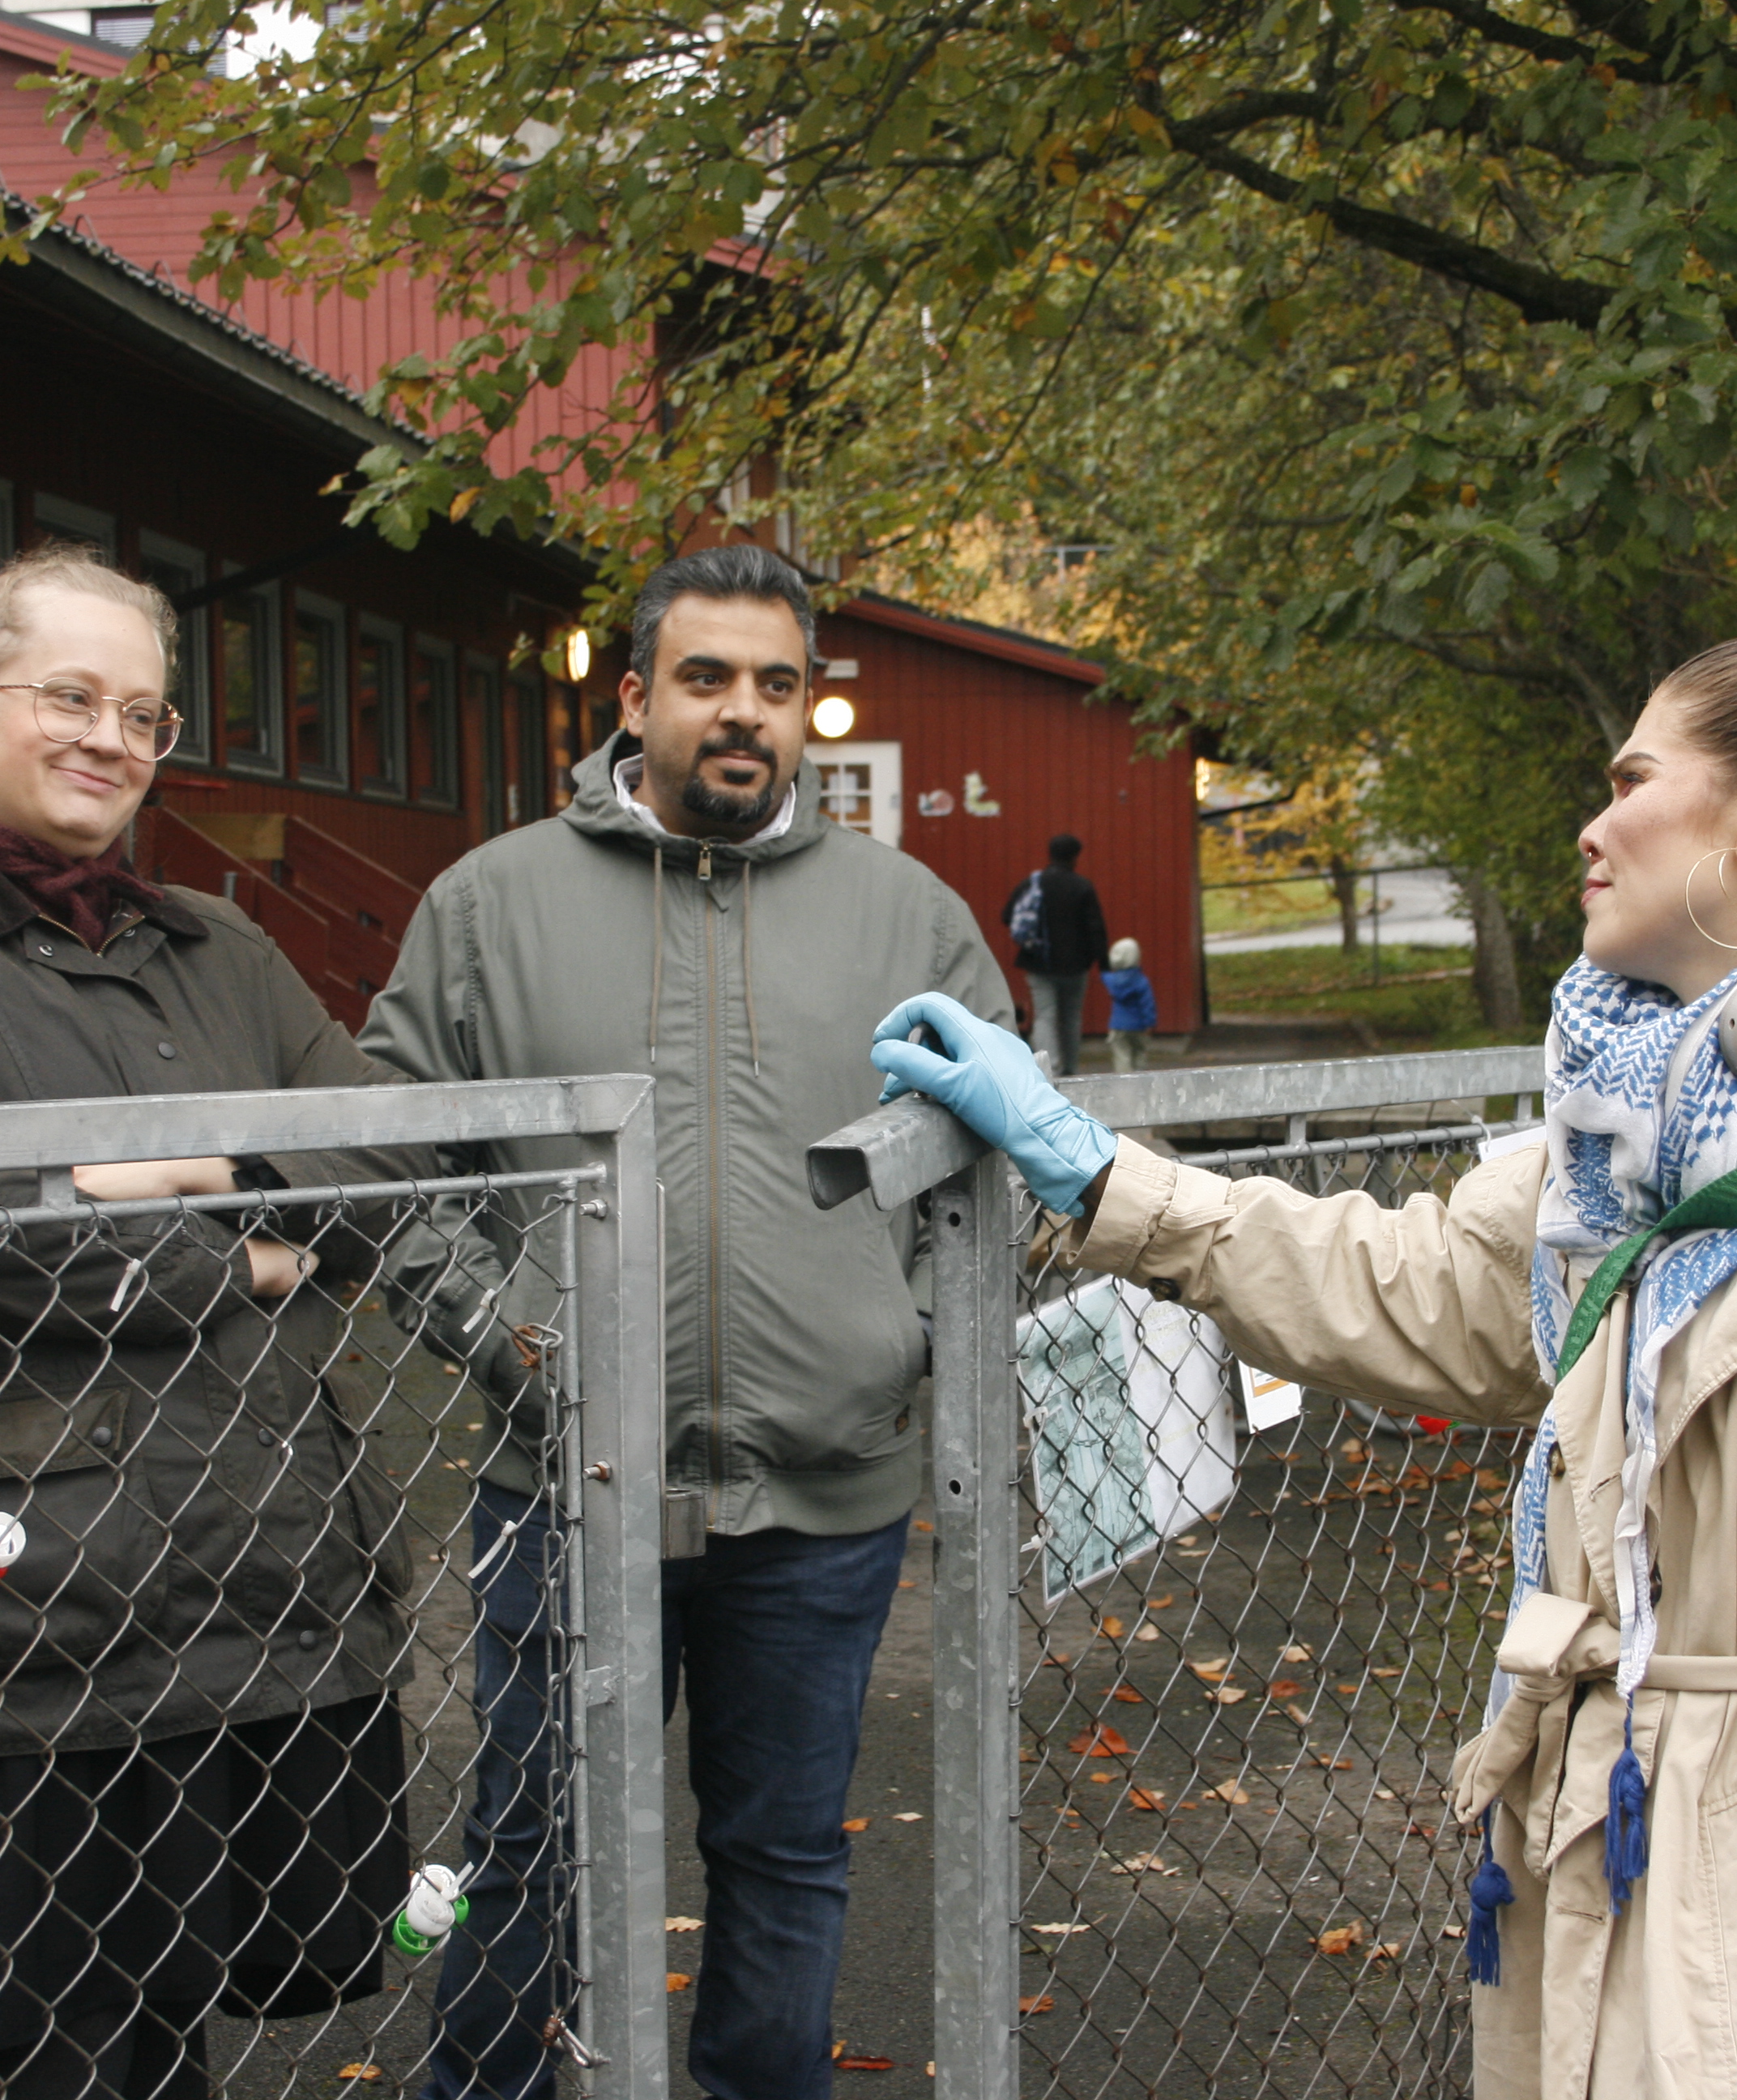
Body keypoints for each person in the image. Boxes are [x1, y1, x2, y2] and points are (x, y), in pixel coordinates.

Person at [868, 628, 1737, 2100]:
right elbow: (1421, 1286)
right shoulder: (1639, 1150)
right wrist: (1097, 1172)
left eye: (1631, 780)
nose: (1592, 826)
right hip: (1632, 1868)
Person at [0, 547, 423, 2100]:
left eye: (141, 713)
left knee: (170, 2034)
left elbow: (386, 1164)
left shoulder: (214, 946)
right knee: (10, 2059)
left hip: (243, 1590)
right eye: (69, 696)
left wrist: (175, 1174)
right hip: (2, 1632)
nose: (110, 739)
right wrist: (250, 1256)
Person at [359, 544, 1016, 2100]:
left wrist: (900, 1336)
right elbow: (389, 1163)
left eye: (777, 685)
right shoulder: (490, 904)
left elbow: (995, 1164)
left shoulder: (907, 916)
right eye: (706, 678)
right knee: (529, 1843)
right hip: (567, 1489)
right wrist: (515, 1333)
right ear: (633, 696)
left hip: (824, 1499)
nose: (743, 713)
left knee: (783, 1853)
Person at [1002, 832, 1110, 1073]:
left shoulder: (1033, 884)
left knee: (1045, 1016)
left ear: (1050, 854)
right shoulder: (1082, 886)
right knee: (1071, 1017)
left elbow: (1007, 915)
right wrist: (1103, 963)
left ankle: (1050, 1069)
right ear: (1075, 857)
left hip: (1039, 963)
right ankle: (1071, 1068)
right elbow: (1096, 928)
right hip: (1075, 966)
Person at [1099, 936, 1157, 1073]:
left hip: (1118, 1025)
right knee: (1139, 1052)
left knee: (1121, 1055)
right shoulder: (1141, 981)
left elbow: (1104, 974)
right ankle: (1140, 1078)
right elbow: (1147, 1003)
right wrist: (1150, 1022)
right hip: (1139, 1025)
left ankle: (1124, 1079)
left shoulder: (1111, 980)